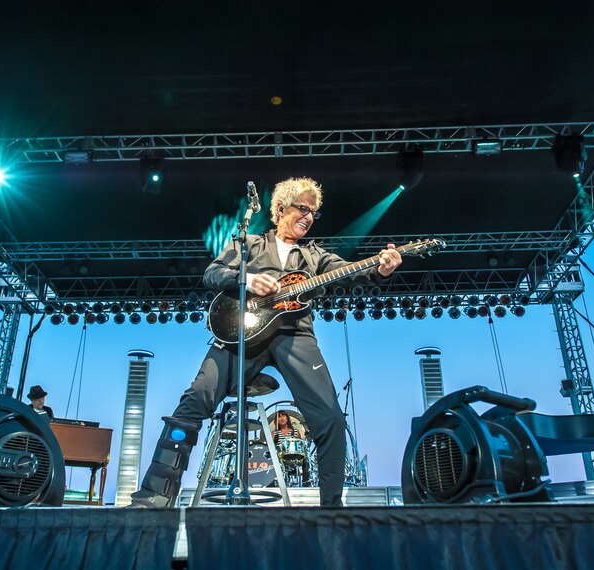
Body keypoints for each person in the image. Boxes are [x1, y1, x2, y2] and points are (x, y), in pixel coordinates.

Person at [130, 177, 402, 508]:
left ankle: (332, 510)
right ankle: (155, 495)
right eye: (303, 208)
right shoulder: (251, 244)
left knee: (330, 418)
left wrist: (381, 268)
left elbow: (351, 271)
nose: (308, 216)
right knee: (195, 400)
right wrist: (246, 279)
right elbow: (213, 274)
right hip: (242, 333)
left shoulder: (315, 255)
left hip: (294, 333)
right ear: (281, 208)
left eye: (313, 213)